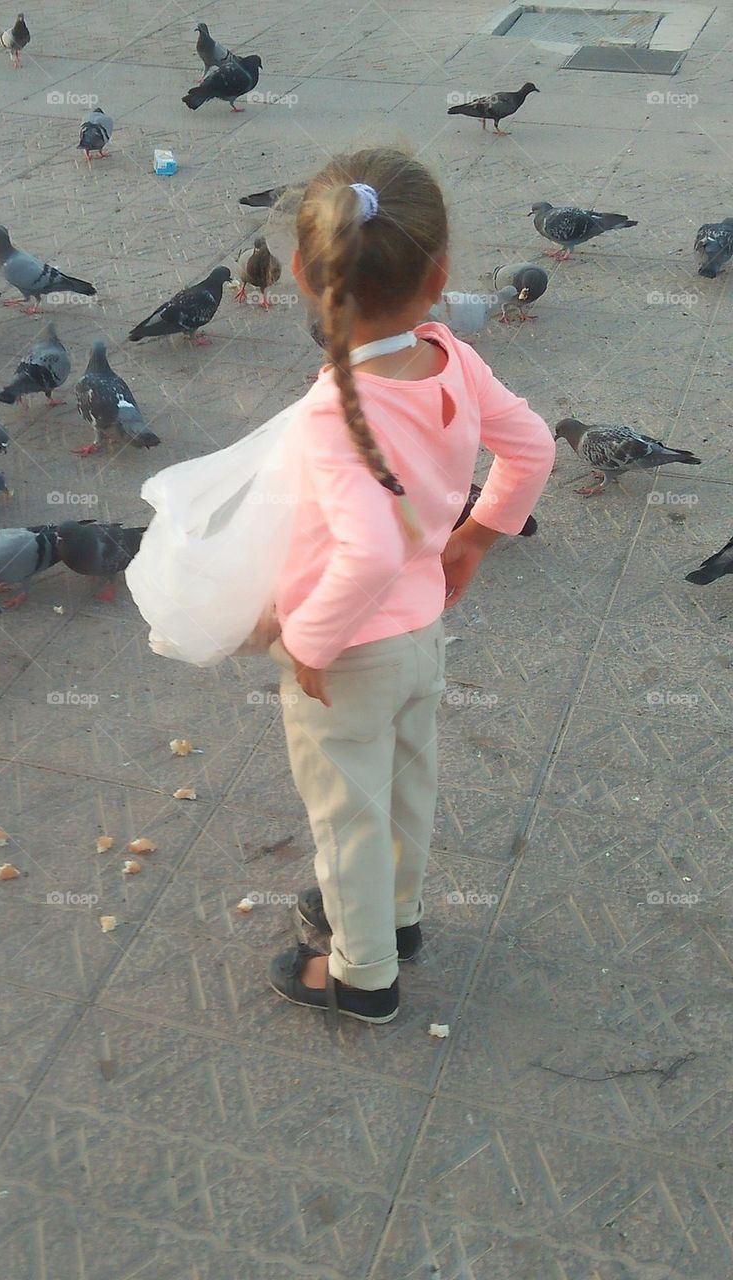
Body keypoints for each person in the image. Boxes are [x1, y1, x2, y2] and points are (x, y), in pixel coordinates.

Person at [268, 147, 555, 1024]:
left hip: (348, 649)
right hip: (423, 633)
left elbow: (362, 553)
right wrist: (473, 539)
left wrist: (306, 641)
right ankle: (400, 917)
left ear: (302, 273)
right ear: (441, 276)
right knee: (406, 785)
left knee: (345, 814)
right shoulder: (451, 355)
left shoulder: (331, 411)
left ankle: (363, 976)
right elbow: (533, 446)